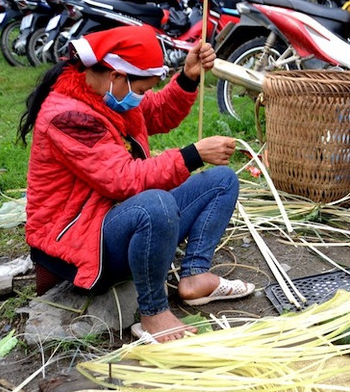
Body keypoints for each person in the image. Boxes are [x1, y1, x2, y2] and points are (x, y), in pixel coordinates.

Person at [18, 27, 253, 343]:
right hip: (78, 244)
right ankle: (153, 313)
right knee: (155, 205)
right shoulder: (68, 116)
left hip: (112, 221)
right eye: (140, 90)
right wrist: (192, 154)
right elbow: (124, 180)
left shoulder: (108, 96)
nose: (141, 99)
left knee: (221, 181)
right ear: (116, 76)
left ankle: (195, 275)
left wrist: (187, 76)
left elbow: (156, 112)